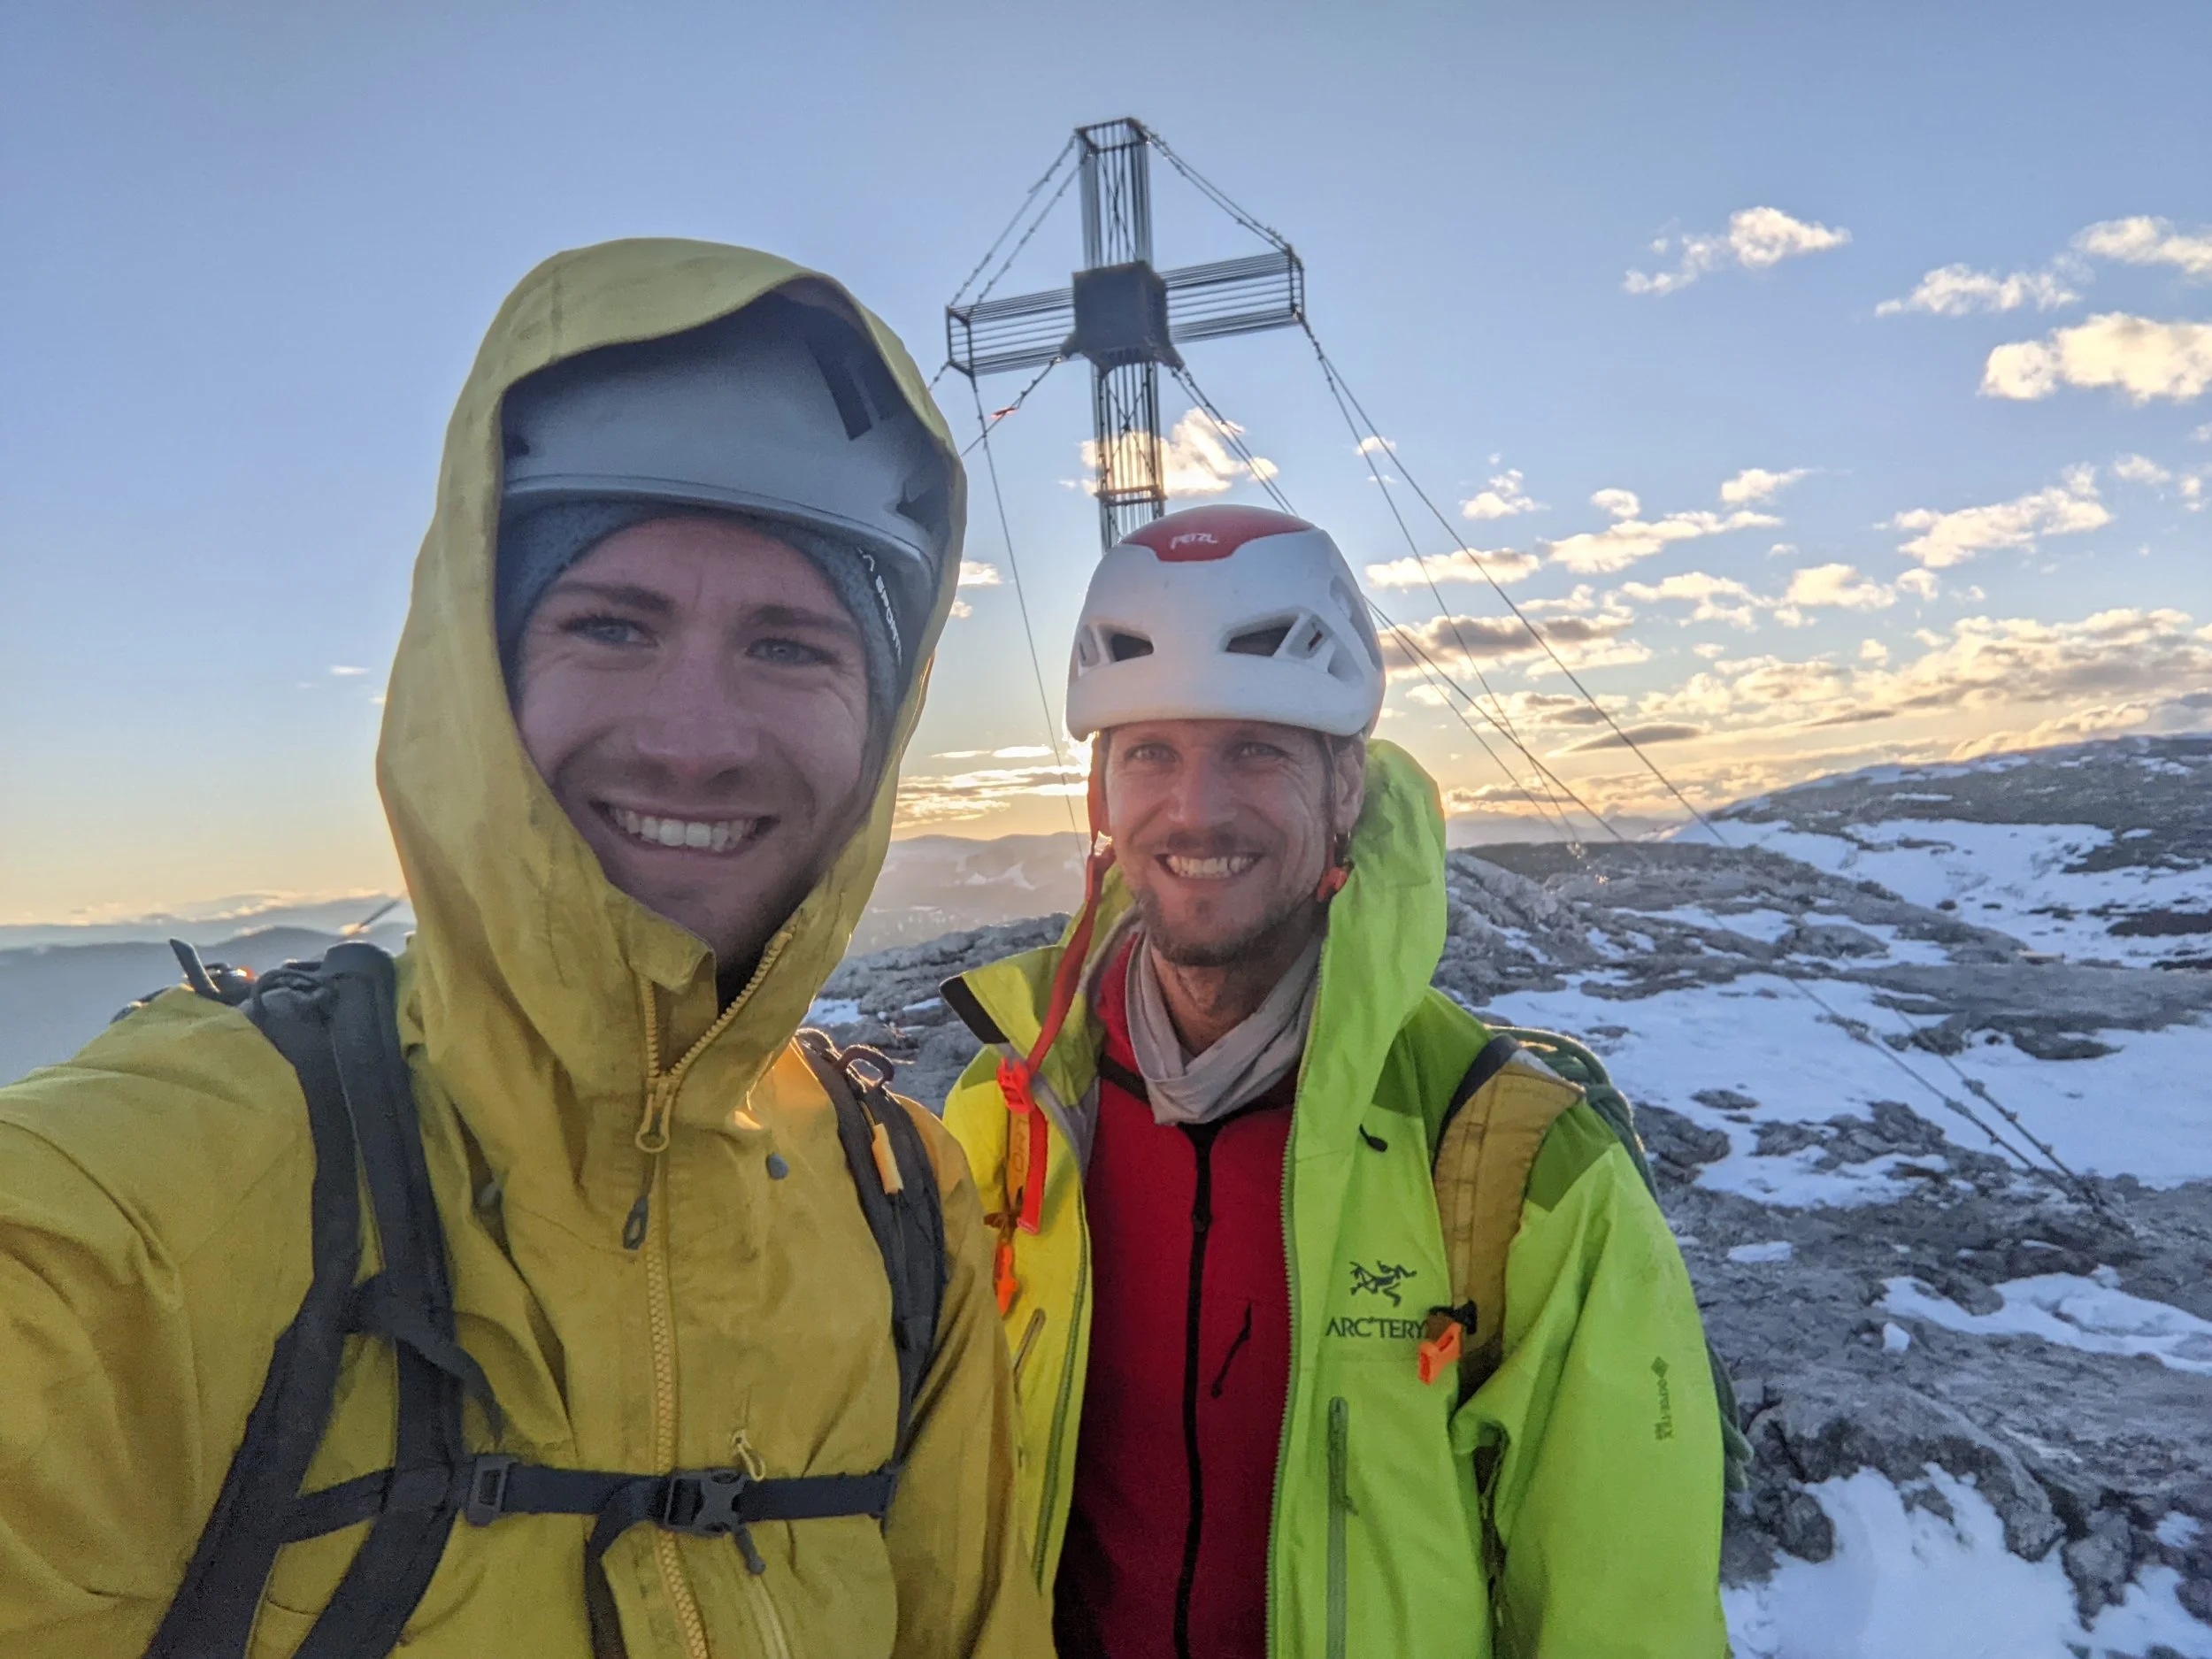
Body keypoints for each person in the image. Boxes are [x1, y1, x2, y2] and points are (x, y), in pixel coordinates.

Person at [0, 241, 1048, 1657]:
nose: (696, 736)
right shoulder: (138, 1204)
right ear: (476, 673)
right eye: (611, 624)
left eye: (791, 645)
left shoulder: (898, 1207)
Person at [941, 503, 1728, 1657]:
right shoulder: (1006, 1117)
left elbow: (1626, 1621)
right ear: (1103, 793)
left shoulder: (1517, 1166)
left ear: (1348, 785)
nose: (1196, 806)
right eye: (1151, 750)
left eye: (1256, 747)